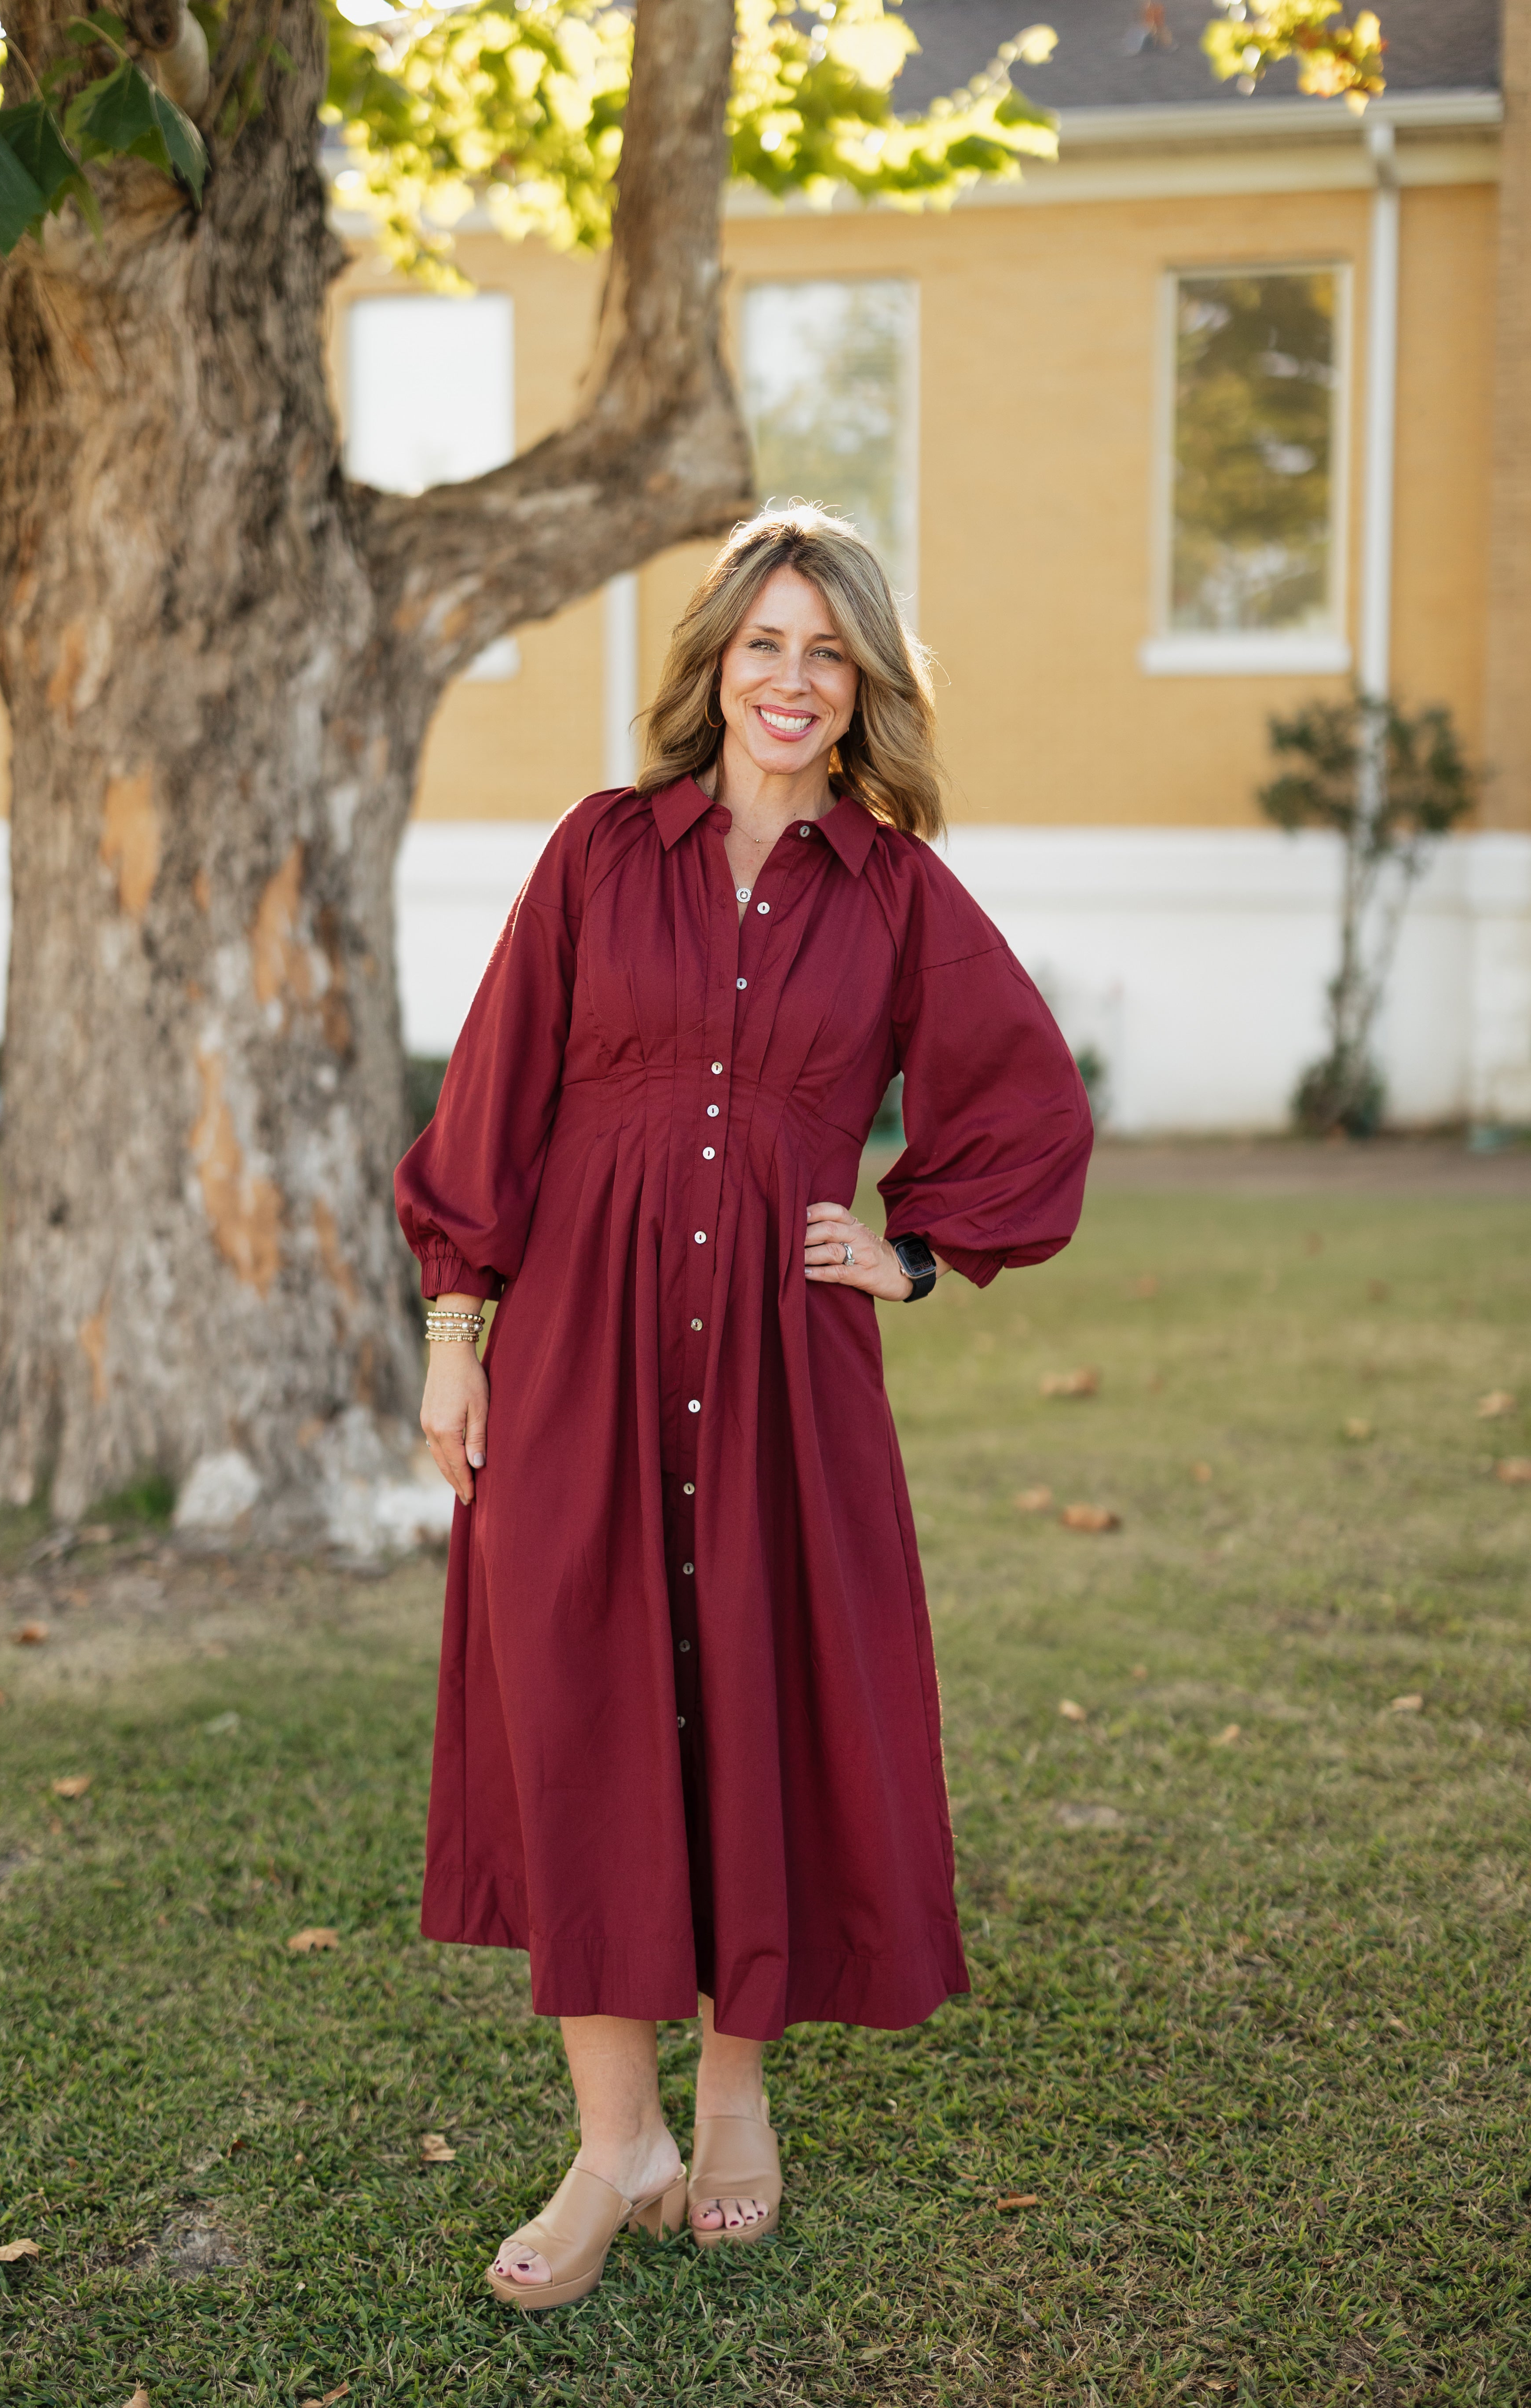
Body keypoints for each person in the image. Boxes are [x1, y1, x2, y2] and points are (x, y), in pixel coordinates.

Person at [395, 506, 1092, 2312]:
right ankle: (609, 2134)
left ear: (864, 694)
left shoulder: (896, 895)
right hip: (577, 1352)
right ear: (714, 662)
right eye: (764, 644)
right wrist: (455, 1327)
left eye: (828, 654)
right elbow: (490, 1097)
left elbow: (1024, 1104)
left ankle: (732, 2103)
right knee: (583, 1701)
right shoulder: (599, 857)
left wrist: (916, 1250)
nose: (791, 681)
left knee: (764, 1698)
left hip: (786, 1370)